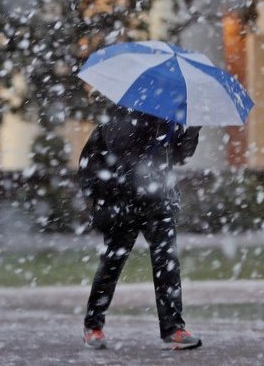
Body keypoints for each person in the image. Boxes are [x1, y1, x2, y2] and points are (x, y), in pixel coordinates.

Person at [78, 106, 202, 350]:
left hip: (158, 200)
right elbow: (124, 153)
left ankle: (173, 328)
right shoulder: (122, 115)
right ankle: (93, 325)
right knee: (113, 262)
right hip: (123, 201)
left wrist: (193, 130)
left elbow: (179, 156)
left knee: (167, 263)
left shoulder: (169, 118)